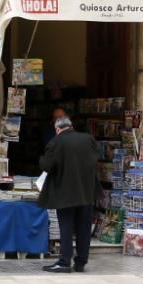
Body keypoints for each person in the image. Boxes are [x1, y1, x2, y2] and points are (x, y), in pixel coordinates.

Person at [38, 116, 99, 273]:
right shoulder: (88, 139)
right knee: (84, 228)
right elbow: (95, 160)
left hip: (65, 193)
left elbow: (47, 166)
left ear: (57, 129)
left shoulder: (57, 142)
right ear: (71, 126)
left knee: (66, 227)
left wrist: (41, 159)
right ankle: (81, 262)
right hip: (86, 192)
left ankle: (64, 262)